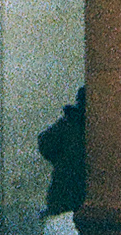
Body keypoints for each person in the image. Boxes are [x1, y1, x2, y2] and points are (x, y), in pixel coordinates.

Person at [37, 87, 86, 216]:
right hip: (70, 195)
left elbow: (45, 143)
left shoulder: (68, 123)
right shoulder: (71, 124)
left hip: (64, 195)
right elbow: (45, 142)